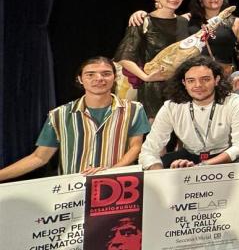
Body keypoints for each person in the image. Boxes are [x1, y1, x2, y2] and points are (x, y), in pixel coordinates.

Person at [0, 56, 150, 181]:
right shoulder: (59, 115)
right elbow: (39, 157)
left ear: (115, 77)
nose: (99, 78)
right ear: (80, 79)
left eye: (106, 73)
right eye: (90, 74)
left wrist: (109, 172)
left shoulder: (134, 109)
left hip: (117, 186)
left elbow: (135, 147)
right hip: (72, 191)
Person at [138, 56, 239, 169]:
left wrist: (201, 167)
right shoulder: (171, 106)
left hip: (224, 159)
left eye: (205, 79)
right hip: (188, 159)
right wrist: (162, 175)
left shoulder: (234, 102)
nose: (198, 85)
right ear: (184, 83)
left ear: (216, 80)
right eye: (191, 81)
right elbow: (148, 151)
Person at [114, 0, 187, 117]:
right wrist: (146, 77)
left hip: (181, 87)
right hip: (154, 89)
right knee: (157, 133)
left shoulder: (184, 22)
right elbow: (124, 57)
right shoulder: (142, 21)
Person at [186, 0, 239, 75]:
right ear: (200, 0)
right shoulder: (188, 20)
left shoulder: (236, 22)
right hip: (195, 77)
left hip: (224, 76)